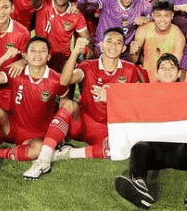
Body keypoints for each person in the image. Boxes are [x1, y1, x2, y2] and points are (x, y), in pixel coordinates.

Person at [24, 31, 147, 179]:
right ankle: (43, 160)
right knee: (69, 105)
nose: (113, 46)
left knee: (122, 148)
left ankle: (68, 153)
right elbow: (64, 81)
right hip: (84, 123)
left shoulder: (130, 70)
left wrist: (112, 98)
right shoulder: (88, 66)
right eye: (109, 41)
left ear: (123, 48)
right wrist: (75, 52)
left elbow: (138, 103)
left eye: (118, 43)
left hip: (108, 129)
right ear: (101, 45)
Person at [115, 53, 187, 210]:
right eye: (163, 68)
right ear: (157, 73)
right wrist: (111, 97)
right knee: (138, 147)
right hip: (154, 152)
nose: (167, 71)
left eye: (171, 68)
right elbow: (127, 104)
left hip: (180, 152)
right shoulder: (146, 93)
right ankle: (138, 186)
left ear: (178, 73)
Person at [0, 37, 68, 175]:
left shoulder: (57, 79)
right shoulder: (16, 71)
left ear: (48, 56)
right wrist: (5, 57)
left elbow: (64, 104)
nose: (37, 54)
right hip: (13, 127)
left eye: (42, 51)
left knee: (39, 149)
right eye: (33, 50)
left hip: (38, 134)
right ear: (26, 55)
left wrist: (61, 133)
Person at [78, 0, 154, 51]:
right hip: (102, 49)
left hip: (124, 51)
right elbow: (82, 7)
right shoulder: (107, 1)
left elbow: (158, 14)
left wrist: (148, 19)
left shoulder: (141, 4)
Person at [34, 0, 90, 72]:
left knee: (71, 70)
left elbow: (87, 38)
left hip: (63, 58)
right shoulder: (43, 6)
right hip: (41, 55)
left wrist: (84, 49)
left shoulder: (76, 15)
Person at [128, 0, 187, 81]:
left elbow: (175, 67)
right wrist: (132, 53)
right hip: (146, 80)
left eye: (166, 16)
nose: (162, 20)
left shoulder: (178, 36)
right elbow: (133, 61)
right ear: (153, 15)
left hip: (167, 81)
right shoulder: (143, 30)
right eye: (158, 15)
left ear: (172, 16)